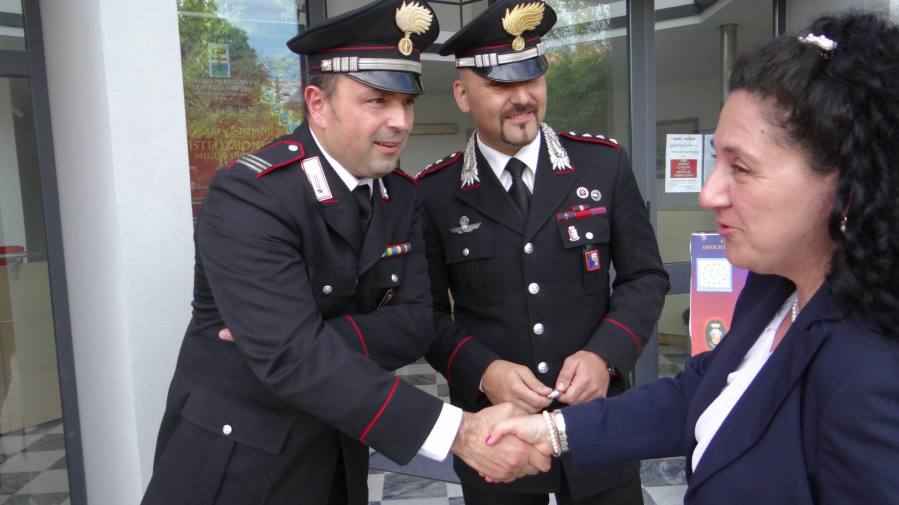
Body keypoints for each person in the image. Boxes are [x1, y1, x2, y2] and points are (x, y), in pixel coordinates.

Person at [141, 1, 549, 503]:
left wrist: (301, 341)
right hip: (238, 460)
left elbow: (414, 324)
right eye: (376, 101)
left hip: (338, 449)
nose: (400, 121)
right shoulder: (252, 195)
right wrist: (456, 431)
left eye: (407, 102)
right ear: (317, 104)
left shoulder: (400, 194)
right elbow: (294, 354)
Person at [488, 11, 899, 504]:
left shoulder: (870, 379)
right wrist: (554, 431)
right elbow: (698, 394)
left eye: (741, 168)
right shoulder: (775, 290)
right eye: (716, 159)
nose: (709, 193)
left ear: (846, 189)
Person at [415, 1, 669, 503]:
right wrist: (483, 371)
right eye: (500, 85)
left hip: (597, 426)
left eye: (531, 76)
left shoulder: (602, 166)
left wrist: (605, 356)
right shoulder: (434, 192)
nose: (522, 97)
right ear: (463, 95)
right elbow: (424, 314)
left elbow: (645, 277)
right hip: (498, 435)